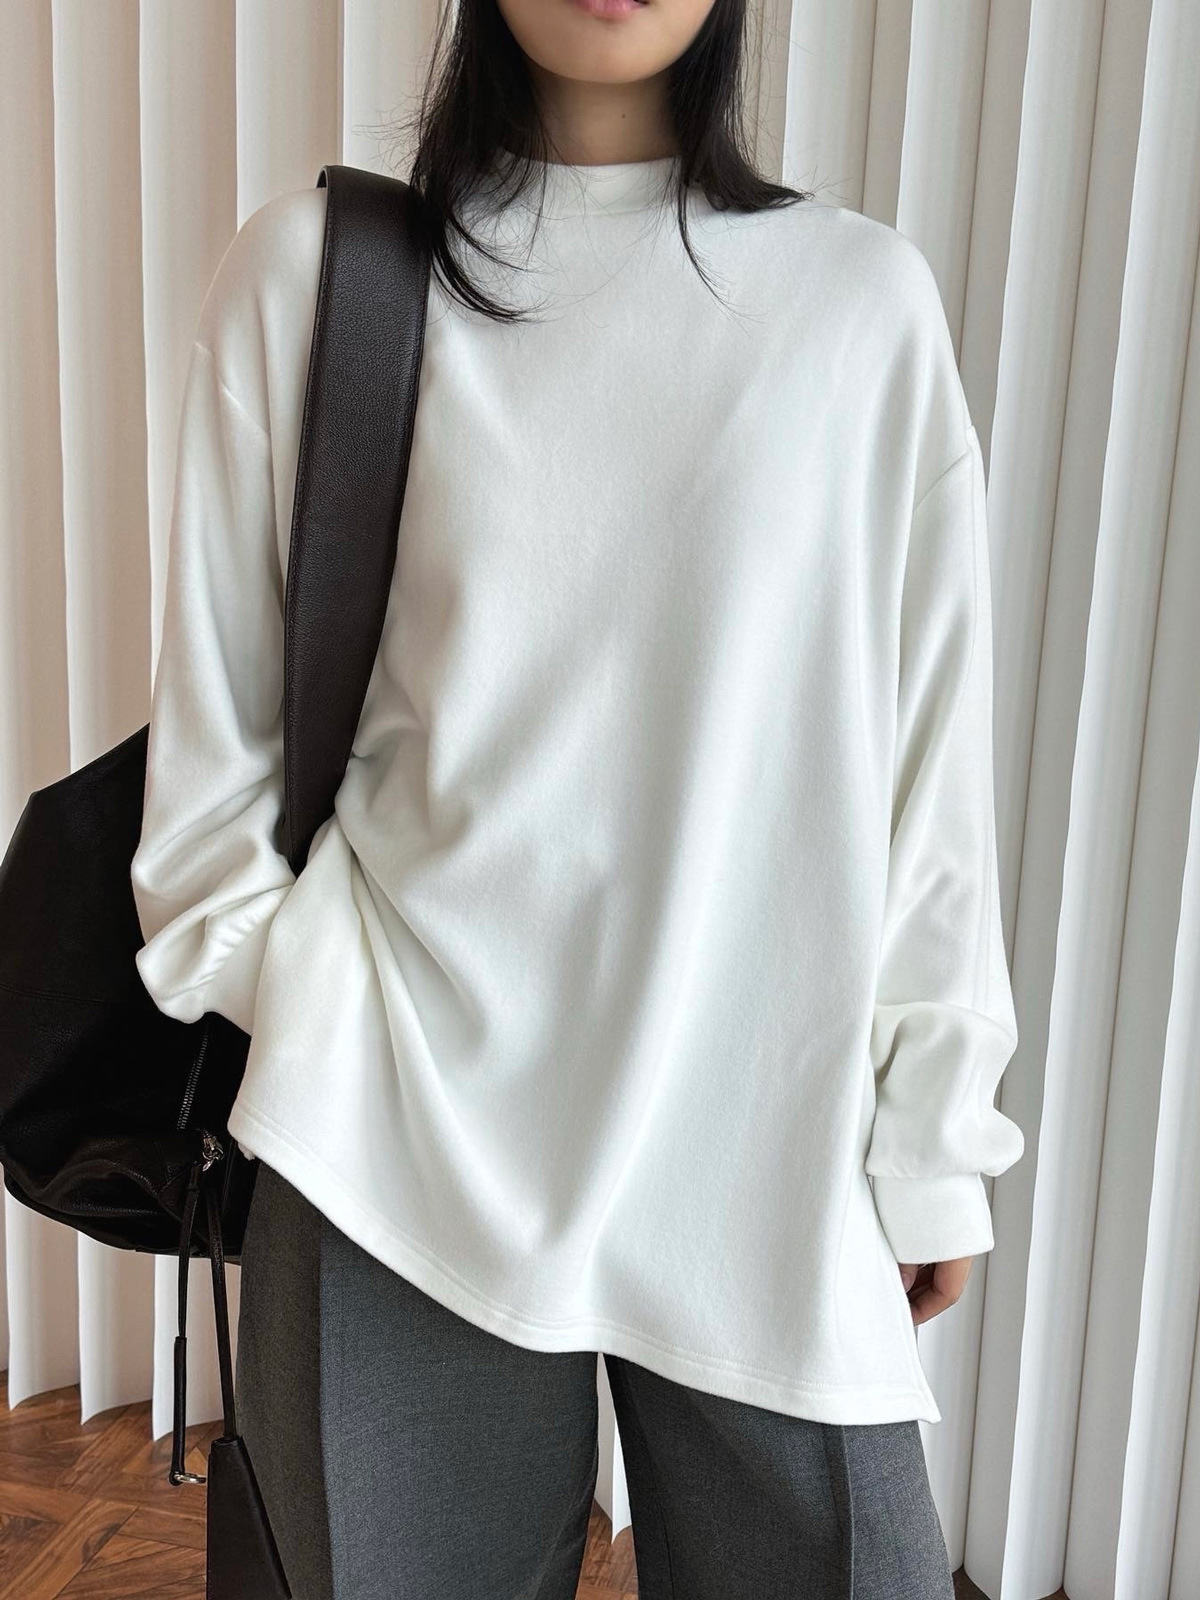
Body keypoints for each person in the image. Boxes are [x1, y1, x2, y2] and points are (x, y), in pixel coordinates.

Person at [130, 0, 1025, 1594]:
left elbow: (926, 774)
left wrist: (934, 1138)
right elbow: (211, 797)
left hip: (769, 1140)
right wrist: (331, 1019)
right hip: (392, 1150)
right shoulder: (316, 280)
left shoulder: (858, 306)